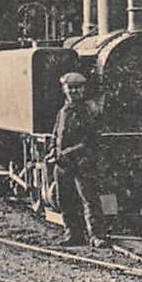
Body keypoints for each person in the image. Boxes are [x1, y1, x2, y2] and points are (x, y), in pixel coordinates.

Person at [50, 72, 107, 248]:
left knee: (89, 199)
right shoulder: (63, 110)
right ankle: (73, 234)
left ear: (83, 89)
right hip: (63, 164)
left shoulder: (88, 111)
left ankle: (96, 235)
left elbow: (91, 140)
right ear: (64, 89)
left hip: (82, 162)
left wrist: (68, 152)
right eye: (71, 88)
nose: (74, 91)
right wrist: (53, 150)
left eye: (78, 88)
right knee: (66, 200)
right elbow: (56, 133)